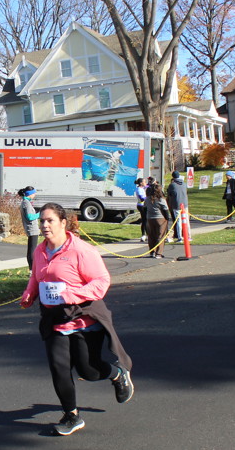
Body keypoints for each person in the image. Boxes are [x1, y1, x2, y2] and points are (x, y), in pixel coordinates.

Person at [20, 203, 134, 436]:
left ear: (63, 223)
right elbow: (37, 277)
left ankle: (117, 374)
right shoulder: (39, 251)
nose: (44, 225)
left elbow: (101, 281)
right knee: (59, 368)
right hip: (54, 319)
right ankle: (71, 415)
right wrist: (29, 293)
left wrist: (73, 295)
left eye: (50, 220)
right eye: (42, 221)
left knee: (88, 371)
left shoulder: (81, 251)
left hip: (83, 319)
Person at [144, 183, 169, 258]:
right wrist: (167, 219)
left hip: (150, 218)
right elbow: (165, 210)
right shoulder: (161, 199)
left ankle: (152, 252)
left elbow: (145, 208)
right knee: (160, 236)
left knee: (151, 236)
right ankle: (158, 253)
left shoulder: (147, 199)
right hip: (160, 218)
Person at [18, 186, 40, 269]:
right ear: (29, 194)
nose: (35, 194)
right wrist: (39, 214)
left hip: (31, 229)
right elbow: (30, 217)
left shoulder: (25, 202)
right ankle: (32, 269)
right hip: (32, 229)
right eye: (34, 193)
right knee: (32, 250)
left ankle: (32, 268)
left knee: (32, 249)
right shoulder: (26, 203)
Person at [166, 170, 188, 241]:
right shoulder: (184, 184)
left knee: (178, 221)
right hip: (185, 204)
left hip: (176, 204)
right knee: (185, 221)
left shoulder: (172, 185)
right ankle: (187, 235)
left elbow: (169, 194)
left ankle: (179, 237)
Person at [135, 178, 147, 242]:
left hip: (143, 205)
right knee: (144, 220)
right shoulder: (139, 189)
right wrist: (148, 198)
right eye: (144, 182)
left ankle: (146, 234)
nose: (145, 183)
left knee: (146, 220)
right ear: (141, 183)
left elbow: (147, 186)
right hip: (141, 206)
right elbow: (142, 198)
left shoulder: (142, 188)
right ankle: (143, 235)